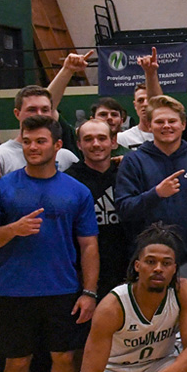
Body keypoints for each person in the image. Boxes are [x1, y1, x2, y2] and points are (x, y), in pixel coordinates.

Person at [0, 115, 99, 372]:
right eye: (27, 141)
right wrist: (12, 230)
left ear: (57, 145)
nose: (32, 147)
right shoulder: (2, 188)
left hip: (62, 291)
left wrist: (89, 292)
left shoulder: (77, 191)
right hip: (13, 292)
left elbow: (88, 246)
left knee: (63, 359)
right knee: (17, 362)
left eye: (41, 141)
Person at [80, 224, 187, 372]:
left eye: (166, 263)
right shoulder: (112, 307)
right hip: (115, 370)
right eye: (151, 262)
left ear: (174, 269)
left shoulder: (184, 291)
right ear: (137, 266)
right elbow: (91, 371)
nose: (158, 268)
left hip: (160, 365)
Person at [116, 95, 187, 276]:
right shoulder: (133, 162)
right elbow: (124, 209)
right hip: (149, 259)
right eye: (160, 121)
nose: (166, 126)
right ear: (150, 125)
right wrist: (156, 194)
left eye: (172, 121)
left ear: (183, 125)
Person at [66, 119, 131, 296]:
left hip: (127, 268)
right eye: (88, 139)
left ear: (113, 142)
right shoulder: (69, 180)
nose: (96, 144)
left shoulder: (129, 174)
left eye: (102, 138)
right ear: (79, 144)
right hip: (84, 273)